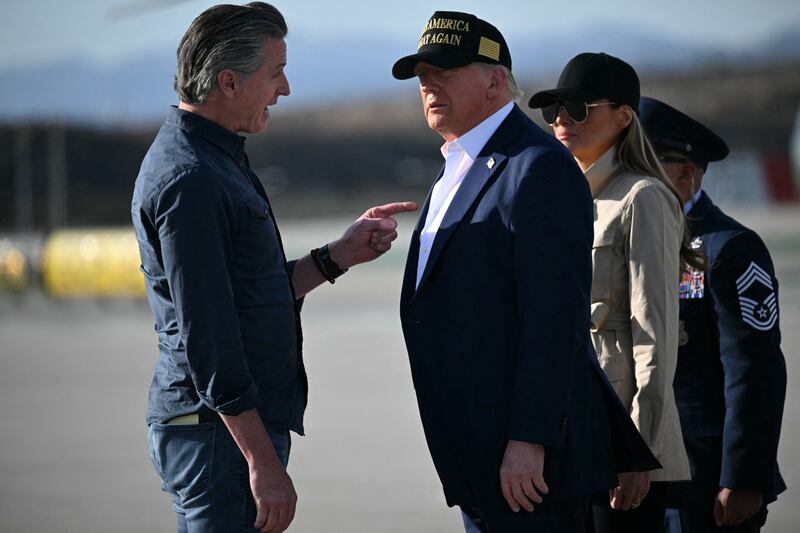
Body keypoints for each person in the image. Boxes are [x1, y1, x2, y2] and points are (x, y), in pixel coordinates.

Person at [131, 3, 416, 532]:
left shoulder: (213, 158)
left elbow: (249, 295)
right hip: (218, 438)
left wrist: (338, 256)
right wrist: (260, 461)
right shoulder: (190, 178)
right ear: (229, 82)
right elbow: (210, 337)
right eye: (275, 73)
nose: (284, 90)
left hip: (221, 433)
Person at [394, 13, 659, 533]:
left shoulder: (537, 167)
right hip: (477, 453)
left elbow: (556, 320)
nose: (429, 84)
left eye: (445, 70)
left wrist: (530, 438)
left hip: (526, 466)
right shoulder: (460, 165)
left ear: (495, 80)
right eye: (422, 74)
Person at [529, 53, 695, 533]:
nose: (562, 119)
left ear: (623, 116)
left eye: (579, 108)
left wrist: (639, 447)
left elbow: (654, 332)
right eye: (554, 109)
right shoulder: (566, 195)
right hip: (568, 424)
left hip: (619, 431)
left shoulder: (643, 196)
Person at [638, 96, 787, 533]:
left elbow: (754, 370)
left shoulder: (727, 249)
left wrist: (743, 476)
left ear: (686, 173)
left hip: (704, 484)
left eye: (644, 165)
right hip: (642, 476)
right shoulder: (636, 238)